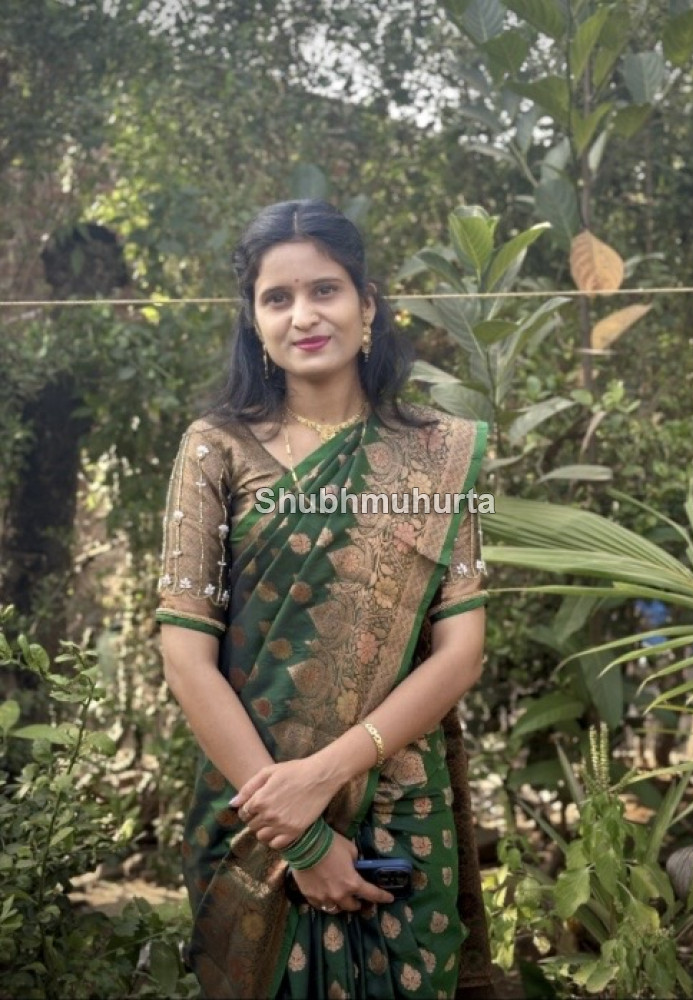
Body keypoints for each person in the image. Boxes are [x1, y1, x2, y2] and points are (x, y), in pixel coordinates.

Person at [156, 200, 495, 999]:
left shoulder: (437, 454)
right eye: (277, 298)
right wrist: (300, 836)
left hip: (395, 800)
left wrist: (324, 776)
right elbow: (185, 657)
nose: (303, 316)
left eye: (324, 290)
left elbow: (460, 653)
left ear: (366, 305)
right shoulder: (215, 449)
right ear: (253, 320)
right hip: (253, 807)